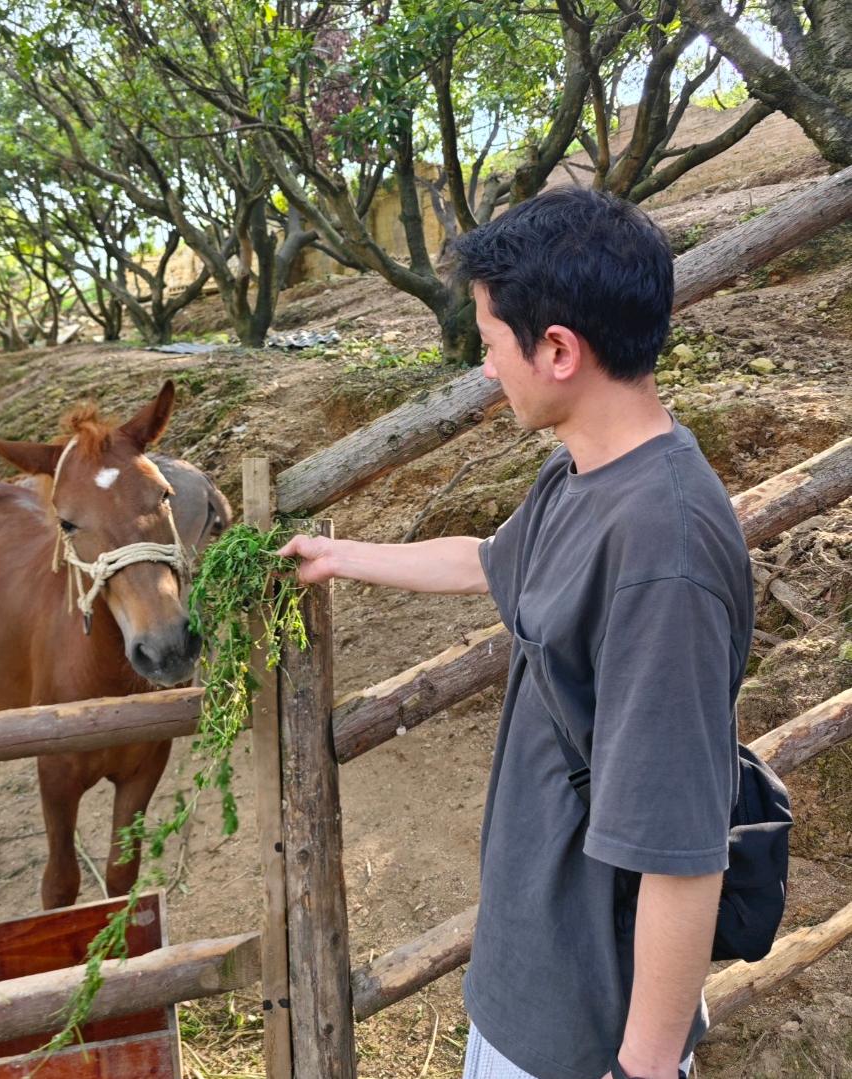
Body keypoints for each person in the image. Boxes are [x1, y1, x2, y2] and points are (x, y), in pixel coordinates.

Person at [278, 187, 753, 1079]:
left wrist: (642, 1067)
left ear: (559, 350)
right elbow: (490, 561)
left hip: (585, 1028)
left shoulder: (663, 549)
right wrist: (339, 559)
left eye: (493, 346)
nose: (489, 370)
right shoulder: (579, 475)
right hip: (528, 978)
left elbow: (680, 855)